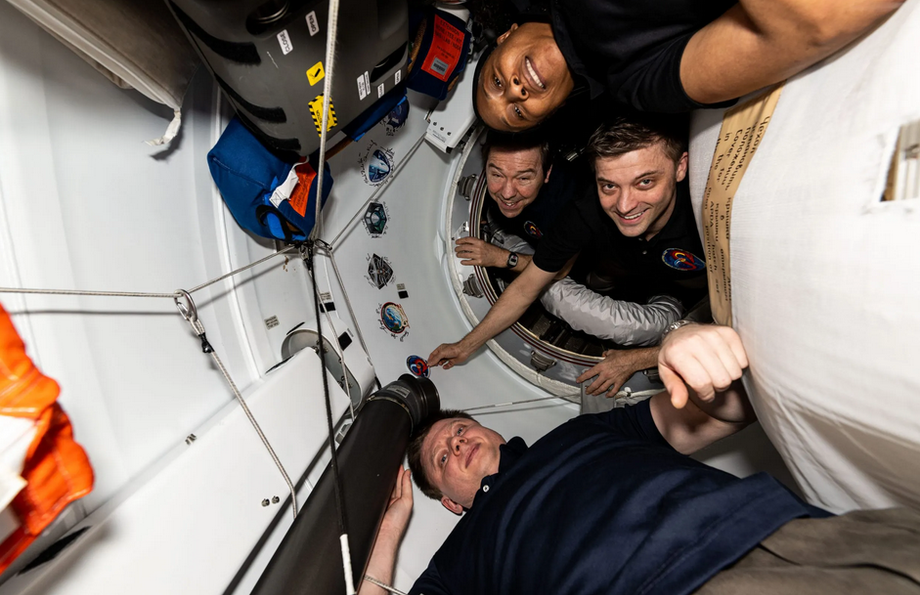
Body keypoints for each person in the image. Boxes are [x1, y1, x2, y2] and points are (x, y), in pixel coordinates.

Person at [358, 324, 920, 595]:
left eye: (457, 430)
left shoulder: (582, 431)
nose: (456, 443)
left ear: (487, 428)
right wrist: (387, 537)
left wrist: (679, 351)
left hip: (774, 529)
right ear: (452, 503)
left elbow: (726, 413)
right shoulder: (461, 556)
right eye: (442, 458)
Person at [430, 115, 707, 397]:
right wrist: (465, 345)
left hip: (685, 294)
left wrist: (641, 357)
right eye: (609, 186)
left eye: (645, 182)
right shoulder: (585, 211)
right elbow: (527, 287)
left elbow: (733, 331)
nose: (625, 205)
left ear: (680, 167)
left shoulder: (711, 221)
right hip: (625, 278)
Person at [472, 0, 904, 131]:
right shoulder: (638, 83)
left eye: (496, 81)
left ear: (505, 35)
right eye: (518, 112)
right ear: (555, 108)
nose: (515, 92)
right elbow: (812, 22)